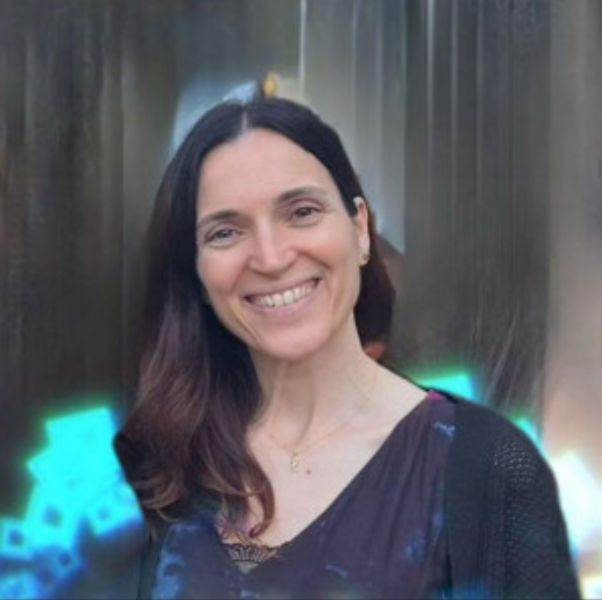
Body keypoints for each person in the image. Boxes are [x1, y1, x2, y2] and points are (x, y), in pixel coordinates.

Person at [115, 97, 580, 599]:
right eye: (225, 232)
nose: (271, 258)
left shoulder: (485, 469)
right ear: (198, 274)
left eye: (302, 212)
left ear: (360, 229)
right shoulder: (157, 469)